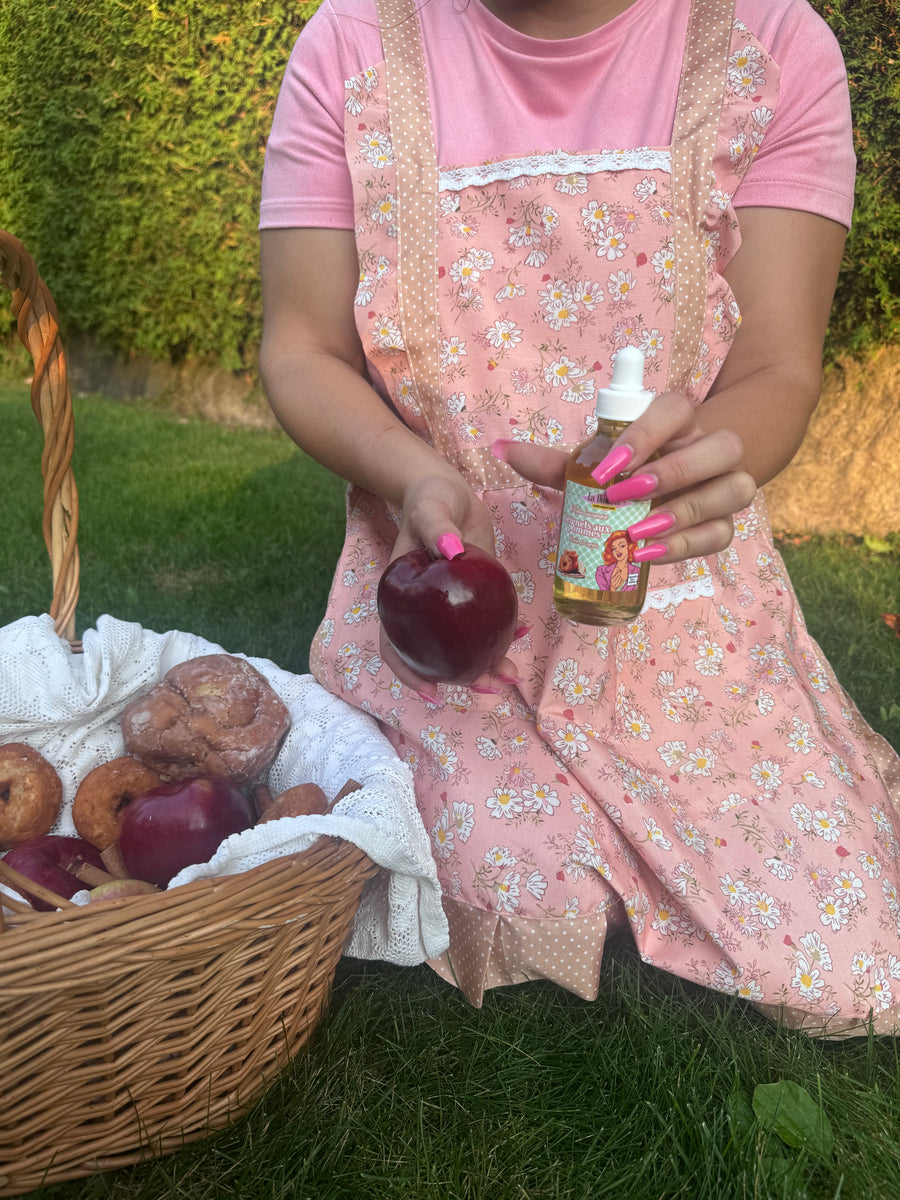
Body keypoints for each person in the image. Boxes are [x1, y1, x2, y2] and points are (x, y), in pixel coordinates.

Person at [258, 0, 900, 1036]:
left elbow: (779, 365)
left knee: (843, 958)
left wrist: (698, 462)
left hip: (676, 595)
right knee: (506, 889)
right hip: (445, 618)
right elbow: (300, 347)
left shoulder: (771, 46)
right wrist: (414, 475)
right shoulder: (355, 42)